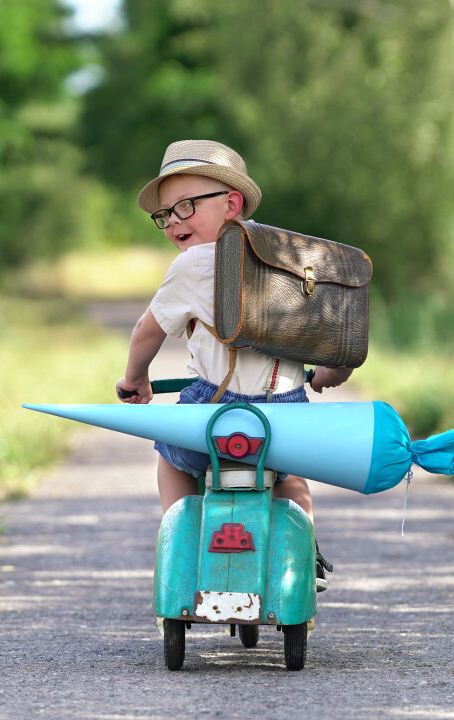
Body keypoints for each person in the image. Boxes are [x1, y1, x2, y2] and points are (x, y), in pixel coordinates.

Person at [116, 139, 352, 591]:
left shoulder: (193, 265)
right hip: (287, 415)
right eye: (165, 214)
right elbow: (332, 339)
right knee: (290, 473)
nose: (173, 223)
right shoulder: (291, 258)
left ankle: (182, 547)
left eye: (186, 206)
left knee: (171, 457)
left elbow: (148, 330)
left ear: (232, 203)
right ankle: (305, 553)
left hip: (216, 413)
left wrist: (136, 378)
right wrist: (327, 374)